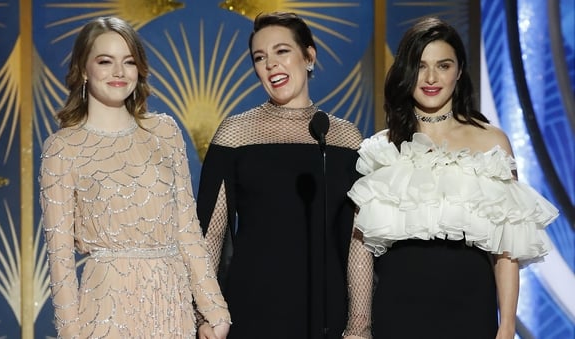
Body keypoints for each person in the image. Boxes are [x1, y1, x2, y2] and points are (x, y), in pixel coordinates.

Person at [347, 17, 559, 339]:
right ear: (406, 71)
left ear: (459, 71)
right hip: (398, 313)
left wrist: (507, 326)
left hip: (471, 313)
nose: (431, 78)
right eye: (420, 66)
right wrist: (358, 328)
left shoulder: (492, 142)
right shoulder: (382, 148)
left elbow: (507, 249)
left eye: (443, 65)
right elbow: (360, 248)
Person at [39, 16, 230, 339]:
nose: (119, 72)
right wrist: (70, 334)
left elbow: (186, 230)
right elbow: (60, 261)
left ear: (138, 69)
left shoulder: (165, 132)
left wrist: (215, 309)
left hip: (171, 306)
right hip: (106, 308)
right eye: (105, 61)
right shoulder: (62, 148)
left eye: (128, 62)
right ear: (84, 70)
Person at [196, 11, 373, 339]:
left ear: (309, 56)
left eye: (282, 51)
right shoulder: (236, 134)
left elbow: (357, 242)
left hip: (326, 309)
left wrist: (359, 326)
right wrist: (205, 313)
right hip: (252, 308)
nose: (271, 64)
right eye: (259, 57)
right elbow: (210, 234)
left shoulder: (346, 139)